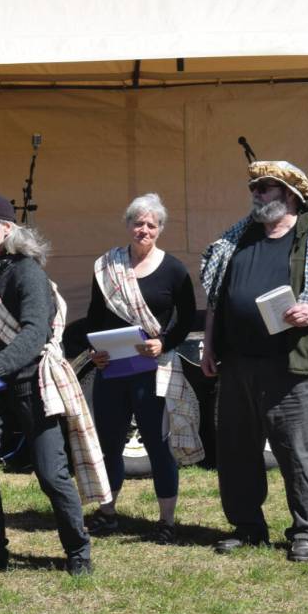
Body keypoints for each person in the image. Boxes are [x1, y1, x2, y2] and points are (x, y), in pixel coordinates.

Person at [200, 160, 308, 563]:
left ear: (290, 195)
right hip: (238, 364)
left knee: (299, 453)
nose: (256, 194)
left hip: (294, 366)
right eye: (253, 188)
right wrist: (209, 345)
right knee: (237, 452)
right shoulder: (237, 239)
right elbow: (218, 298)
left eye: (265, 188)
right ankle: (248, 527)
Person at [0, 194, 110, 578]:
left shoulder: (27, 272)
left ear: (7, 228)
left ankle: (78, 551)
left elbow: (34, 335)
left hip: (32, 383)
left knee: (51, 474)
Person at [84, 193, 202, 544]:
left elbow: (187, 317)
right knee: (109, 443)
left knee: (157, 444)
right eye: (138, 223)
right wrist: (95, 351)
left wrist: (164, 342)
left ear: (160, 229)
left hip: (153, 370)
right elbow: (95, 315)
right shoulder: (107, 266)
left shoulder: (173, 269)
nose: (144, 230)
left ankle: (166, 521)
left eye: (151, 225)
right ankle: (107, 514)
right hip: (112, 370)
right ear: (128, 225)